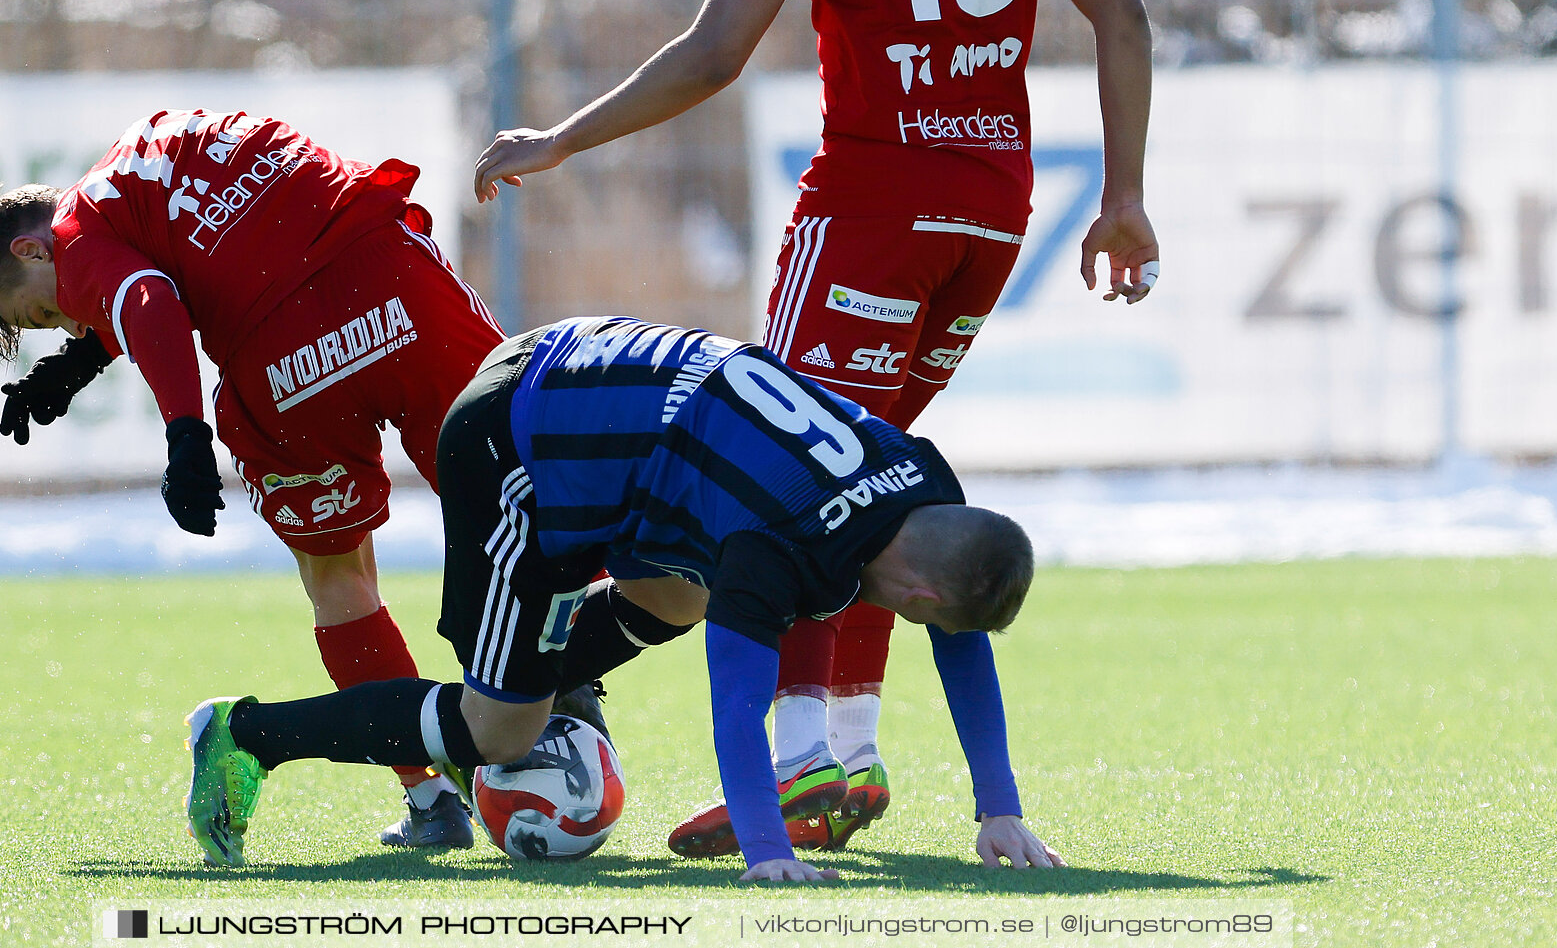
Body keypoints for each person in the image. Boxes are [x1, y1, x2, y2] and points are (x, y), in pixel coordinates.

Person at [472, 0, 1159, 856]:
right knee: (875, 471)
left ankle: (798, 764)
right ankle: (847, 748)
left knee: (783, 476)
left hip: (871, 212)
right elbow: (1126, 19)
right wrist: (1128, 198)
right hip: (991, 218)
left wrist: (562, 138)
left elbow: (713, 55)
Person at [183, 315, 1061, 879]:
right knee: (499, 728)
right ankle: (245, 734)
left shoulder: (927, 481)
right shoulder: (774, 547)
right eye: (922, 613)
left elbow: (962, 634)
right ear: (923, 583)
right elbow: (737, 708)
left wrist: (1000, 806)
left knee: (673, 600)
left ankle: (542, 676)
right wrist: (768, 852)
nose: (914, 625)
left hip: (614, 411)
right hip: (521, 443)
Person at [0, 108, 506, 849]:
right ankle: (560, 728)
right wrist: (86, 359)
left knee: (339, 580)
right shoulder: (135, 166)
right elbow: (199, 254)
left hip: (285, 358)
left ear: (32, 244)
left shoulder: (76, 233)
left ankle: (431, 798)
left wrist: (185, 433)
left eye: (47, 311)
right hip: (390, 279)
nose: (70, 325)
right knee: (524, 507)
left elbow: (146, 295)